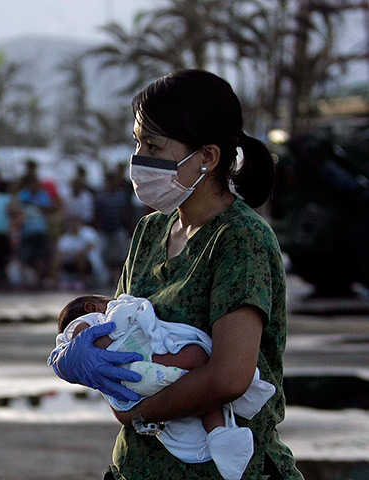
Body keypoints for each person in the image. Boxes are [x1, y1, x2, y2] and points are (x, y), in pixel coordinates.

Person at [48, 69, 304, 479]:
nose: (138, 158)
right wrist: (88, 354)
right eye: (137, 142)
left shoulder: (241, 240)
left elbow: (228, 376)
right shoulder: (151, 231)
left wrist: (141, 412)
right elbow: (119, 342)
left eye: (153, 145)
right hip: (137, 468)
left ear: (207, 157)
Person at [54, 294, 276, 480]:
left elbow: (227, 379)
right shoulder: (84, 322)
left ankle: (219, 433)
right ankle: (218, 431)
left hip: (141, 373)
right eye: (107, 299)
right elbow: (90, 334)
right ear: (92, 307)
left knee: (202, 386)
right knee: (197, 358)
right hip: (141, 364)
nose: (114, 299)